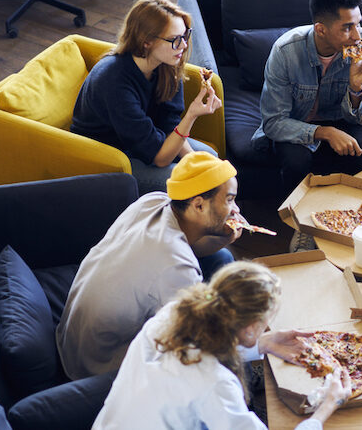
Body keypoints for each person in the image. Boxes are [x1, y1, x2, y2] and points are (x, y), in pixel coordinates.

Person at [94, 261, 352, 429]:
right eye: (266, 324)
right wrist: (329, 405)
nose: (267, 328)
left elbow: (207, 346)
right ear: (250, 327)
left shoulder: (173, 313)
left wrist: (264, 343)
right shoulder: (215, 385)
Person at [57, 151, 241, 380]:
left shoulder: (154, 201)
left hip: (72, 336)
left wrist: (224, 238)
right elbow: (198, 337)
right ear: (199, 206)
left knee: (221, 256)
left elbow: (186, 246)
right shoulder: (175, 267)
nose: (237, 211)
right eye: (230, 200)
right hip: (96, 363)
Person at [71, 0, 222, 195]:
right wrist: (192, 114)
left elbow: (169, 125)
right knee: (187, 183)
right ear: (146, 42)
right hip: (108, 153)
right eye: (175, 40)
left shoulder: (168, 65)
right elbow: (161, 158)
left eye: (185, 36)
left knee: (209, 159)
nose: (184, 46)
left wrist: (194, 161)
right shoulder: (114, 81)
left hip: (145, 139)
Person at [251, 0, 362, 194]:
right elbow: (273, 123)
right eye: (348, 28)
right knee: (296, 161)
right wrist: (326, 132)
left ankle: (358, 217)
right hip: (297, 124)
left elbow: (360, 119)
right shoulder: (285, 52)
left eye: (358, 23)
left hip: (341, 120)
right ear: (321, 29)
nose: (358, 36)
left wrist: (356, 87)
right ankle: (295, 220)